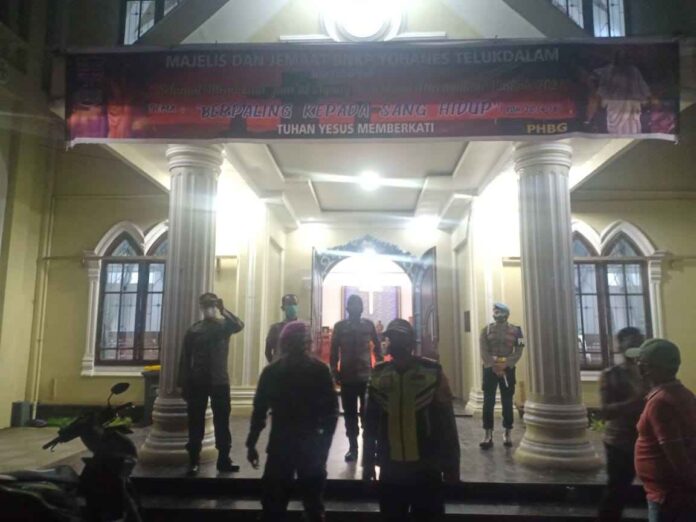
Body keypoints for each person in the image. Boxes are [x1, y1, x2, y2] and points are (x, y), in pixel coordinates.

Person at [362, 319, 460, 521]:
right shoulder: (379, 374)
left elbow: (447, 424)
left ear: (410, 342)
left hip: (426, 467)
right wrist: (368, 462)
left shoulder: (432, 373)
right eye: (392, 338)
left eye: (400, 338)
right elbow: (370, 425)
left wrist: (451, 464)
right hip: (390, 468)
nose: (396, 343)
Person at [246, 321, 338, 522]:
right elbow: (331, 412)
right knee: (313, 505)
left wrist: (251, 443)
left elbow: (259, 410)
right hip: (310, 444)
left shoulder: (272, 371)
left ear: (283, 343)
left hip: (282, 444)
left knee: (274, 506)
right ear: (308, 343)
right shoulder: (319, 370)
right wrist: (324, 445)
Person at [627, 338, 696, 522]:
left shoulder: (661, 402)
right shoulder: (683, 394)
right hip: (672, 494)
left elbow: (676, 454)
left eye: (640, 363)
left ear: (647, 368)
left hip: (668, 498)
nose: (637, 367)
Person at [178, 292, 245, 476]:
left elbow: (239, 325)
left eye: (212, 305)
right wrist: (183, 383)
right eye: (206, 305)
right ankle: (194, 460)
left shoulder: (224, 326)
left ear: (216, 306)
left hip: (219, 381)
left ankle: (224, 458)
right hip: (198, 381)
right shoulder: (194, 330)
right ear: (201, 307)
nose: (209, 308)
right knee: (196, 422)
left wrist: (224, 310)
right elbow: (185, 359)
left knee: (222, 422)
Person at [597, 327, 647, 522]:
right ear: (621, 346)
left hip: (648, 438)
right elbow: (606, 411)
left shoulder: (649, 373)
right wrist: (634, 402)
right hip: (620, 441)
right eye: (631, 342)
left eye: (639, 342)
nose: (635, 346)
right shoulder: (612, 375)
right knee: (617, 490)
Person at [330, 294, 382, 462]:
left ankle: (370, 447)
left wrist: (380, 368)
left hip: (367, 377)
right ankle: (353, 447)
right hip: (347, 377)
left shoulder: (368, 325)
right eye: (352, 305)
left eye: (357, 305)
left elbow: (378, 347)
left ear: (362, 308)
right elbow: (333, 351)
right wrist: (334, 371)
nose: (355, 308)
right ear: (347, 308)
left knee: (368, 414)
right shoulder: (339, 327)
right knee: (350, 415)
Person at [479, 303, 524, 449]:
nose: (496, 314)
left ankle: (507, 432)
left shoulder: (517, 331)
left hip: (508, 369)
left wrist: (506, 364)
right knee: (488, 401)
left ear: (506, 313)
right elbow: (483, 350)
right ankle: (487, 434)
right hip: (490, 369)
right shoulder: (486, 330)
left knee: (507, 401)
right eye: (495, 311)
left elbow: (519, 350)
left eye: (499, 311)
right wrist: (493, 365)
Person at [264, 294, 299, 363]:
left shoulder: (304, 329)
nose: (292, 307)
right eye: (289, 304)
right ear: (283, 308)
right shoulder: (275, 329)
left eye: (294, 304)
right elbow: (267, 352)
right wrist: (275, 366)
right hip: (280, 366)